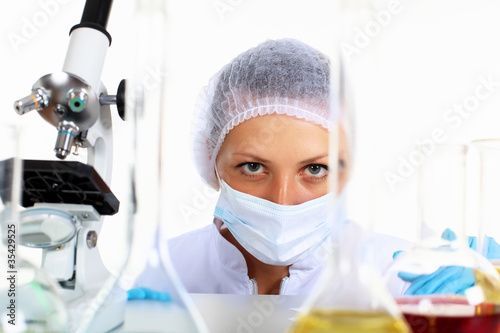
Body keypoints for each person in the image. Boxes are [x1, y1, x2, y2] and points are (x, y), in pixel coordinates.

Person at [131, 38, 412, 297]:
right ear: (211, 159)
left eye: (314, 169)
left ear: (345, 169)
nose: (282, 201)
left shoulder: (396, 277)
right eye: (253, 167)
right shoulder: (168, 273)